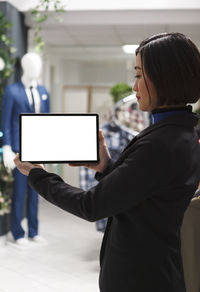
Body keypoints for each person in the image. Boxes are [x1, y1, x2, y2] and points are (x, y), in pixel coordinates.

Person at [14, 33, 200, 291]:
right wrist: (106, 167)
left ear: (164, 77)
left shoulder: (162, 143)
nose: (134, 87)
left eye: (138, 75)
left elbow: (91, 206)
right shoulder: (177, 132)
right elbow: (143, 191)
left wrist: (37, 175)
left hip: (142, 279)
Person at [2, 52, 50, 246]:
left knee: (36, 191)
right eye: (33, 65)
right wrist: (6, 146)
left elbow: (47, 121)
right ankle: (17, 233)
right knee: (20, 192)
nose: (36, 69)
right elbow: (5, 120)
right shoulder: (12, 91)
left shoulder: (43, 91)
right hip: (19, 149)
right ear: (25, 66)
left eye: (38, 65)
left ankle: (33, 230)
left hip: (38, 147)